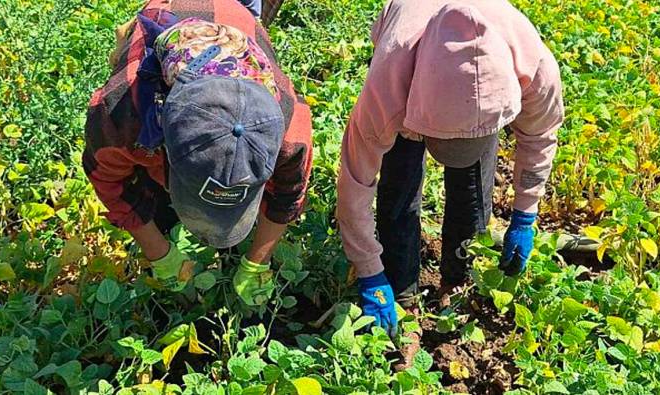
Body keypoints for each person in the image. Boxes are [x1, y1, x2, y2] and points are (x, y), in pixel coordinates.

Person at [336, 0, 564, 368]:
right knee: (398, 190)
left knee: (473, 188)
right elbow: (355, 182)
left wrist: (526, 214)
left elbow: (540, 138)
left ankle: (457, 283)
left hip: (487, 83)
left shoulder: (531, 65)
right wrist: (369, 271)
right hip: (410, 71)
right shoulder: (389, 83)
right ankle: (401, 290)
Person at [83, 0, 312, 306]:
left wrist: (257, 261)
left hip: (235, 16)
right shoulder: (121, 117)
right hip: (171, 13)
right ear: (165, 142)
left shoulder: (288, 129)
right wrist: (158, 251)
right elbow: (112, 183)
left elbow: (288, 194)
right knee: (157, 205)